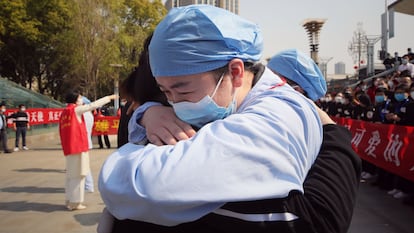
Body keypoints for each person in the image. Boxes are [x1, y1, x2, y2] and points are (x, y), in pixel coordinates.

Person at [99, 5, 360, 233]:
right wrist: (147, 112)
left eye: (182, 90)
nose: (174, 103)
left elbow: (143, 186)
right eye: (165, 92)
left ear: (235, 72)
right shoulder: (226, 98)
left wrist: (121, 163)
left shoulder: (272, 119)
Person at [59, 89, 117, 211]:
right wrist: (109, 98)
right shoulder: (75, 110)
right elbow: (93, 105)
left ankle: (69, 200)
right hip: (78, 148)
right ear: (75, 100)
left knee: (71, 175)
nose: (81, 100)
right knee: (79, 175)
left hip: (71, 148)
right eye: (80, 98)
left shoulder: (65, 111)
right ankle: (76, 203)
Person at [82, 97, 95, 193]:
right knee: (83, 164)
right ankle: (87, 185)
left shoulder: (84, 114)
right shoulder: (88, 114)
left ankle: (88, 186)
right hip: (85, 142)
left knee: (84, 165)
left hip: (82, 142)